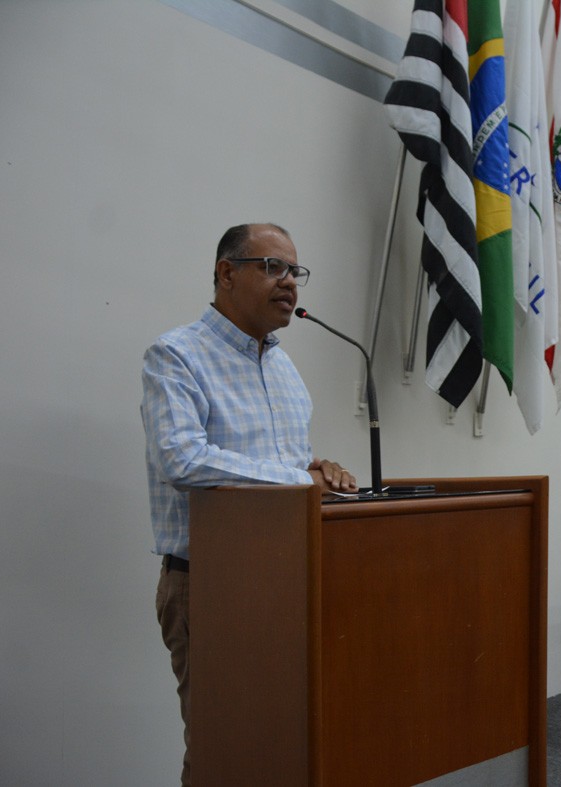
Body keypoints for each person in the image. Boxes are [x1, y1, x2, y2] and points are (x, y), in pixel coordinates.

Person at [141, 223, 358, 786]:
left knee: (281, 743)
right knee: (223, 750)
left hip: (289, 577)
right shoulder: (177, 355)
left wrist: (321, 469)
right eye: (272, 267)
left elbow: (288, 465)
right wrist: (300, 479)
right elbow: (183, 460)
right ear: (226, 273)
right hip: (212, 583)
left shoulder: (283, 367)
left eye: (295, 271)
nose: (289, 282)